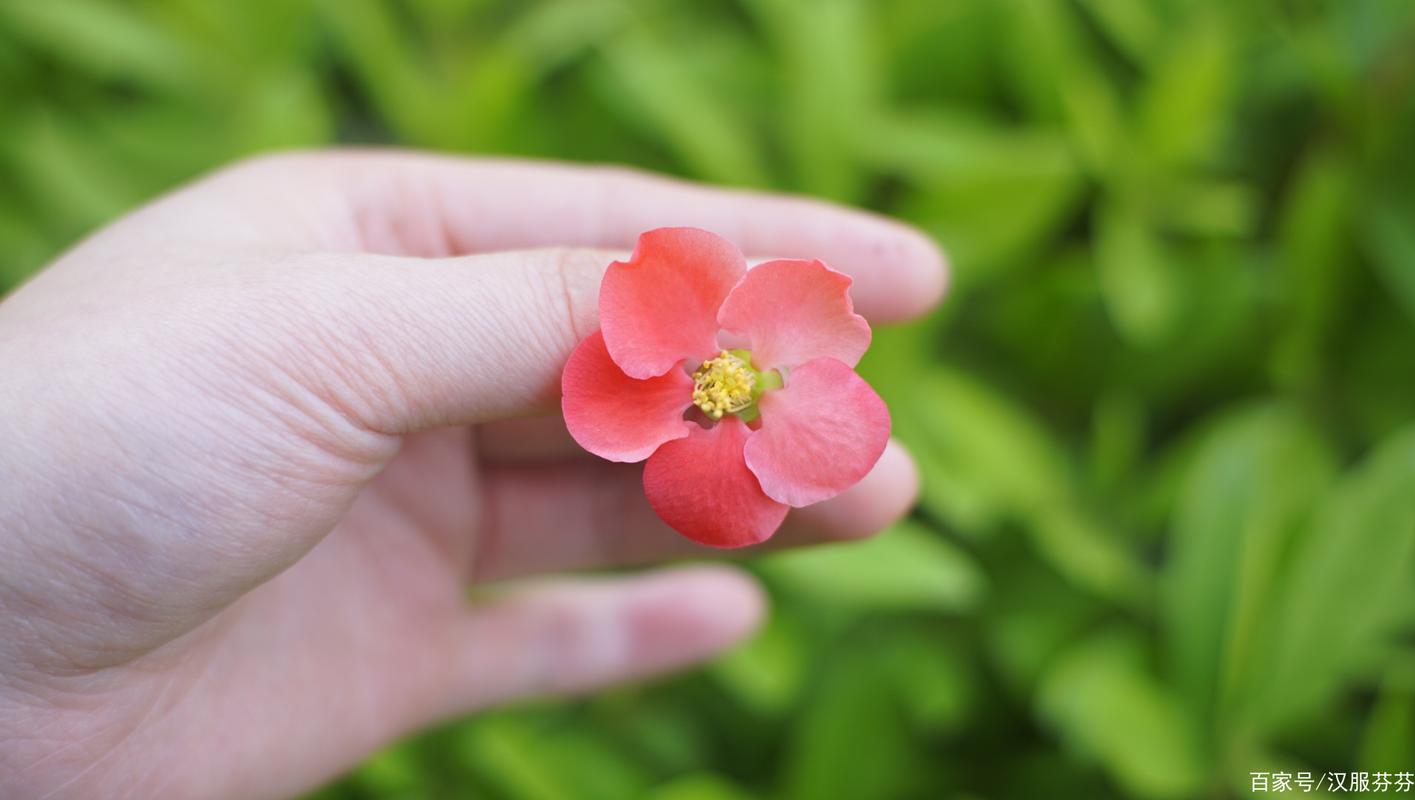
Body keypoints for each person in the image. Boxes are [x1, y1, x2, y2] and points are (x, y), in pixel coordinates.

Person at [0, 152, 947, 799]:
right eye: (716, 380)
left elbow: (806, 335)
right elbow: (607, 385)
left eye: (731, 384)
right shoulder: (674, 359)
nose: (722, 384)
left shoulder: (782, 361)